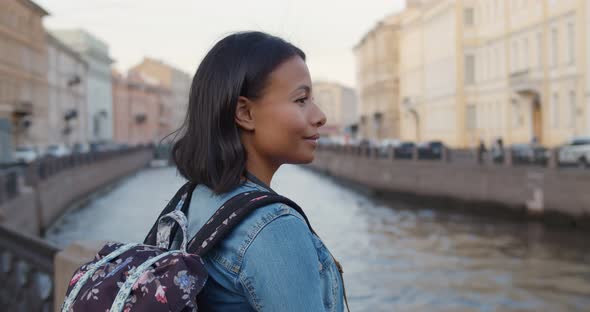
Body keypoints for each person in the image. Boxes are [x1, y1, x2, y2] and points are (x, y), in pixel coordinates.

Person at [167, 31, 347, 311]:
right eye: (301, 100)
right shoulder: (273, 226)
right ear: (245, 113)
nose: (319, 116)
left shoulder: (191, 200)